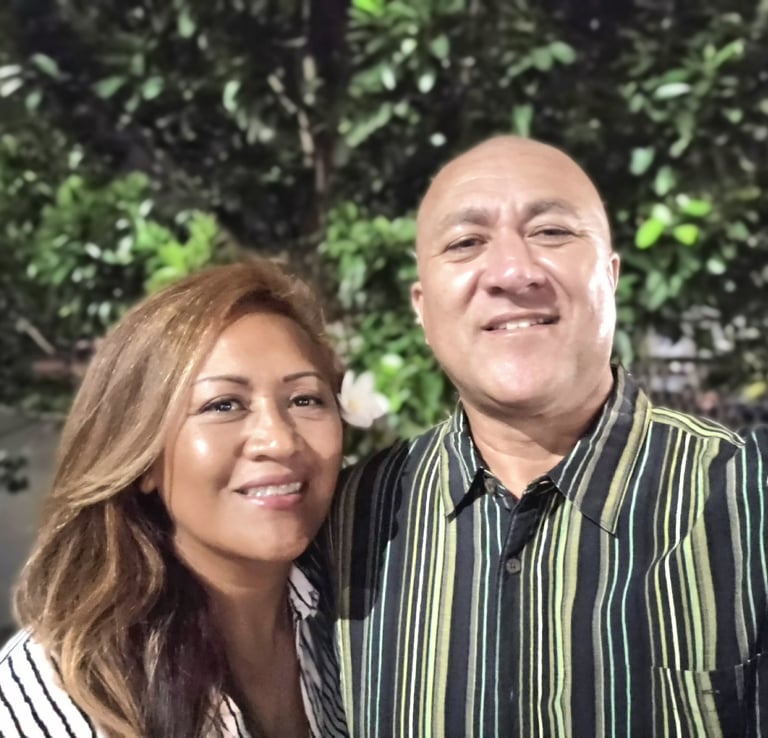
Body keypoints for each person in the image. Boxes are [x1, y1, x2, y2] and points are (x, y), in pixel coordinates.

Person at [324, 136, 768, 737]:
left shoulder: (748, 497)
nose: (513, 272)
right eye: (466, 242)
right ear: (422, 310)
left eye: (552, 232)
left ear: (610, 276)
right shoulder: (348, 519)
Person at [0, 260, 348, 737]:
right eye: (224, 405)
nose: (280, 440)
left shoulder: (361, 625)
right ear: (142, 457)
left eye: (305, 399)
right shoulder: (64, 691)